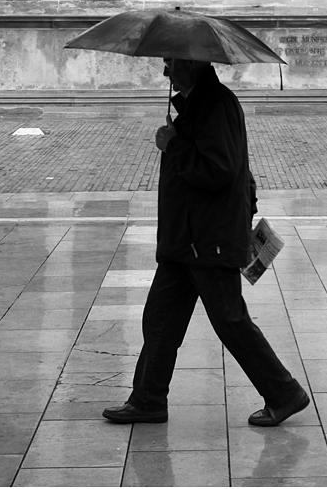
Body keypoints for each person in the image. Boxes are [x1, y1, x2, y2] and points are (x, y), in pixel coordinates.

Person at [103, 58, 309, 427]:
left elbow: (220, 170)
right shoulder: (201, 104)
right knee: (161, 321)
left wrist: (173, 144)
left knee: (230, 321)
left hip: (205, 240)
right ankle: (148, 399)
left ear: (192, 64)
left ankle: (285, 393)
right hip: (187, 241)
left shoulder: (215, 104)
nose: (166, 72)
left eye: (170, 64)